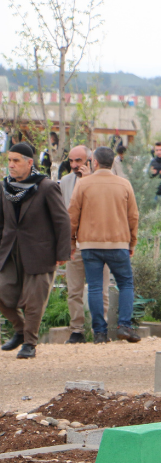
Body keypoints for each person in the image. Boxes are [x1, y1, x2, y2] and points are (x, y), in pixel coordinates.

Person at [0, 143, 71, 358]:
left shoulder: (46, 186)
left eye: (16, 161)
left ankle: (29, 343)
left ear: (29, 163)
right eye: (9, 160)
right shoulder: (4, 188)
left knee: (33, 301)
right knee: (2, 294)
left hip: (40, 253)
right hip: (9, 251)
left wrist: (62, 254)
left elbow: (62, 221)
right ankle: (20, 330)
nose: (11, 165)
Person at [69, 147, 140, 344]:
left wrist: (72, 242)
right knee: (125, 283)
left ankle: (99, 332)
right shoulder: (124, 184)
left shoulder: (83, 184)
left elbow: (72, 215)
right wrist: (132, 242)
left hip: (90, 244)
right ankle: (124, 325)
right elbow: (133, 216)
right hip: (118, 243)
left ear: (95, 163)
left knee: (94, 287)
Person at [61, 145, 110, 344]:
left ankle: (100, 328)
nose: (74, 165)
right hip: (75, 244)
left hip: (98, 243)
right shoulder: (65, 182)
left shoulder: (102, 181)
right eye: (71, 161)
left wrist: (89, 181)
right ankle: (77, 329)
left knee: (101, 289)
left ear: (90, 161)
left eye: (78, 161)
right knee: (74, 290)